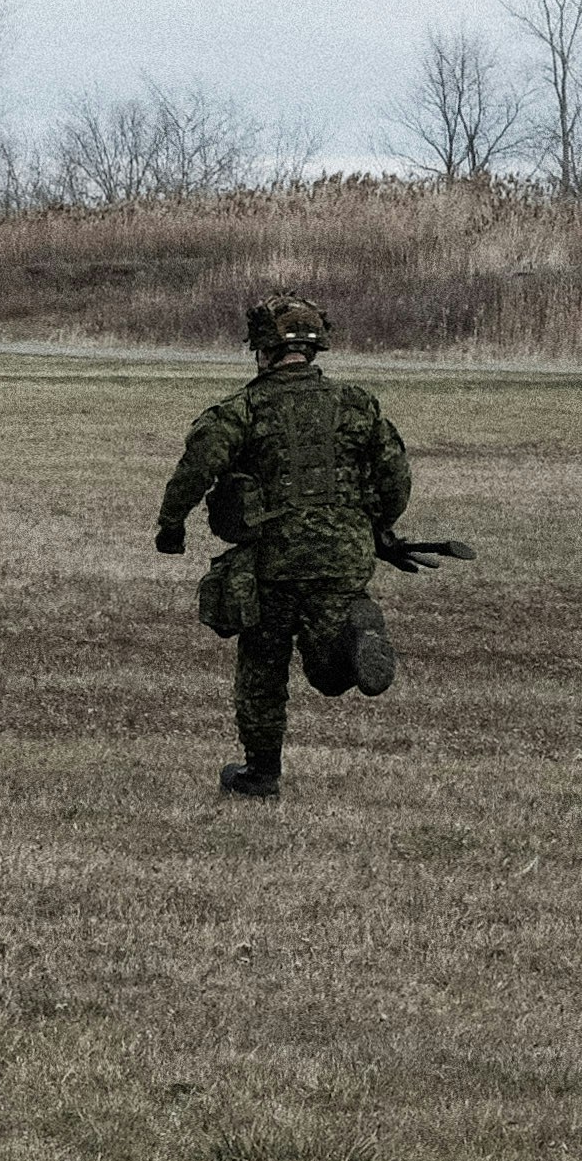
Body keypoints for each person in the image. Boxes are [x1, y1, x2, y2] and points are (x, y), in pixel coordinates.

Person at [155, 294, 413, 801]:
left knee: (263, 669)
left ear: (263, 349)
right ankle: (355, 632)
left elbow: (195, 469)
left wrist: (171, 527)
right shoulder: (358, 403)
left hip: (272, 564)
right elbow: (395, 477)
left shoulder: (242, 410)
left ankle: (262, 775)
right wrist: (378, 527)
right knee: (327, 668)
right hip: (344, 560)